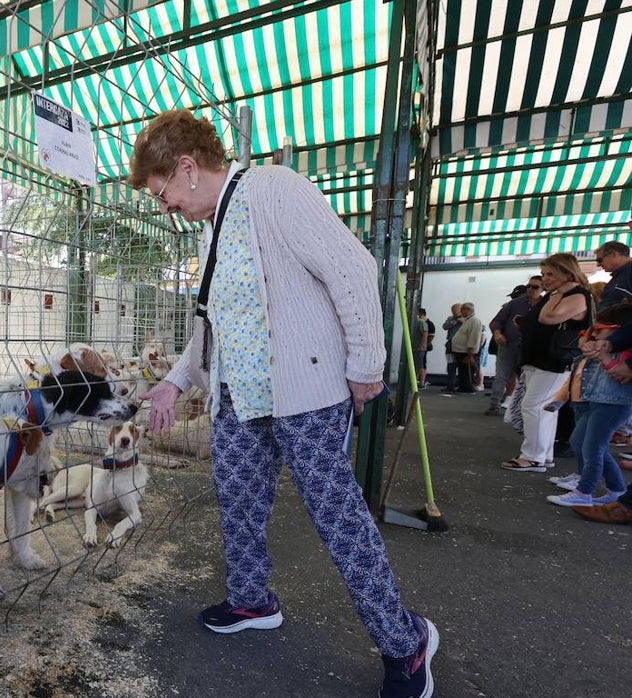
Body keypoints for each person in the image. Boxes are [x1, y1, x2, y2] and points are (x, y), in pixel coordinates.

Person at [128, 110, 437, 698]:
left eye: (161, 191)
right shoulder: (211, 227)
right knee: (238, 502)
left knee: (338, 520)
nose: (163, 206)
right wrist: (173, 380)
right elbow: (212, 325)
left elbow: (352, 268)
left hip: (306, 394)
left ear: (187, 169)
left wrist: (367, 366)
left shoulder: (275, 189)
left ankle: (407, 642)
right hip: (237, 398)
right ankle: (252, 601)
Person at [501, 253, 593, 472]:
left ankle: (532, 456)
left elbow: (548, 318)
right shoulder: (556, 294)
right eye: (544, 274)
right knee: (545, 409)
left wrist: (555, 295)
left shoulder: (576, 295)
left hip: (554, 362)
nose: (545, 279)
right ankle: (543, 455)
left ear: (567, 272)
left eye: (551, 274)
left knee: (533, 406)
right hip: (540, 359)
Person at [545, 305, 632, 507]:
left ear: (619, 330)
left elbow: (618, 374)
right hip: (595, 401)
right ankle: (617, 488)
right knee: (579, 442)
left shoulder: (624, 351)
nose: (594, 334)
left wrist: (602, 353)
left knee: (594, 447)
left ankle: (585, 492)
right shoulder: (605, 346)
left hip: (614, 403)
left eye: (599, 330)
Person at [485, 279, 541, 415]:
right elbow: (496, 321)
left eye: (535, 287)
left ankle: (517, 406)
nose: (530, 289)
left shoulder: (545, 305)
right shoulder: (514, 304)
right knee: (502, 375)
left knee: (525, 378)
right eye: (528, 286)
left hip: (529, 348)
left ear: (542, 288)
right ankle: (495, 404)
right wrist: (497, 334)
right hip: (508, 344)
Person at [446, 303, 482, 393]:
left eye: (462, 310)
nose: (460, 312)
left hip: (467, 351)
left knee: (467, 370)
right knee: (462, 370)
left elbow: (473, 336)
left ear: (468, 310)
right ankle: (462, 386)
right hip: (460, 350)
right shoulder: (467, 320)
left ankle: (468, 387)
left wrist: (470, 353)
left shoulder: (474, 320)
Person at [595, 241, 632, 310]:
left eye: (600, 260)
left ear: (614, 254)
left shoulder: (629, 272)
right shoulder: (617, 277)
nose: (598, 265)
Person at [442, 303, 463, 390]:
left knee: (462, 366)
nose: (454, 312)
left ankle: (461, 386)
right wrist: (455, 321)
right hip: (450, 345)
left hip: (461, 346)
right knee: (450, 365)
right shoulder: (450, 318)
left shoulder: (467, 319)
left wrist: (461, 320)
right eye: (452, 311)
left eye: (455, 310)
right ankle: (450, 385)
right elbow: (445, 327)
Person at [414, 308, 434, 387]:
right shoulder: (420, 322)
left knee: (420, 364)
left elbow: (426, 334)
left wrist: (422, 345)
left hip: (420, 347)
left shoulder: (422, 322)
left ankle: (422, 382)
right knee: (418, 364)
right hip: (417, 346)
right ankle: (416, 381)